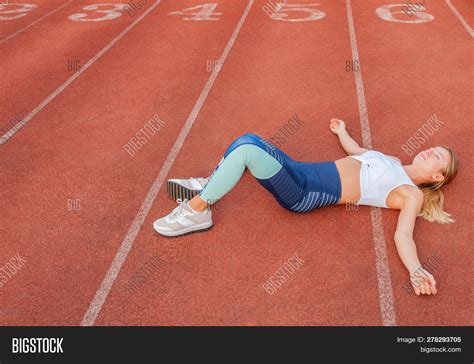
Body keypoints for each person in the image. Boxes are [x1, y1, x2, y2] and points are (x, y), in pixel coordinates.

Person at [153, 119, 459, 295]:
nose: (430, 151)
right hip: (302, 170)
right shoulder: (392, 161)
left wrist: (416, 270)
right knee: (247, 138)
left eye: (437, 158)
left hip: (303, 193)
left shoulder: (410, 193)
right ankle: (211, 182)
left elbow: (403, 236)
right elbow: (357, 152)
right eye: (433, 149)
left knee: (247, 152)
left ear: (436, 177)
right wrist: (342, 132)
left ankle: (198, 209)